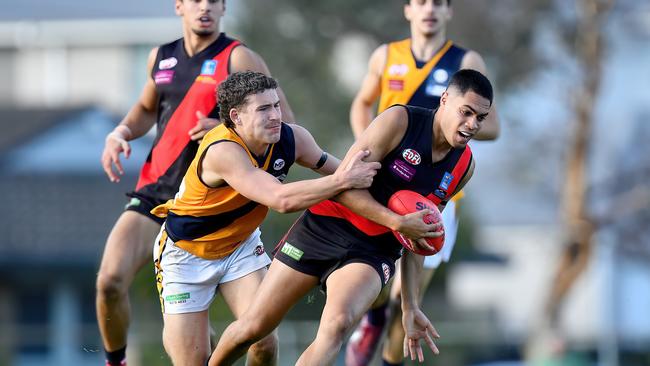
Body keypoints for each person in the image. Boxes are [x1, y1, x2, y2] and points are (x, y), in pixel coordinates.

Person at [210, 69, 494, 366]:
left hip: (374, 251)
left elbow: (422, 234)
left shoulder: (463, 166)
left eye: (481, 118)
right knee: (254, 328)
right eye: (467, 112)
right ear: (445, 100)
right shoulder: (399, 121)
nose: (472, 124)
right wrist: (395, 221)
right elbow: (343, 185)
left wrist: (410, 306)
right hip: (325, 226)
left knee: (338, 325)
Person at [96, 1, 295, 365]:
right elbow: (144, 108)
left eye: (213, 1)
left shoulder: (238, 57)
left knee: (261, 343)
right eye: (195, 0)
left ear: (223, 9)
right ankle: (116, 361)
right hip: (158, 191)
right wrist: (120, 132)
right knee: (109, 281)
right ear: (179, 7)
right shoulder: (161, 56)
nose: (204, 7)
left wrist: (227, 131)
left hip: (214, 204)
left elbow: (283, 124)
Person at [151, 70, 381, 365]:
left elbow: (346, 173)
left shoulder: (293, 138)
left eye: (276, 105)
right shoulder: (223, 150)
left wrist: (398, 204)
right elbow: (281, 200)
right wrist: (343, 181)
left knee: (264, 343)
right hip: (186, 255)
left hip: (240, 247)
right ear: (237, 116)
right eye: (263, 109)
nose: (275, 115)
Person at [347, 1, 500, 364]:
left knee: (410, 297)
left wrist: (459, 124)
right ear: (407, 10)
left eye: (438, 3)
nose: (429, 9)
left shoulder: (467, 61)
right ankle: (374, 315)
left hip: (434, 196)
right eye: (421, 2)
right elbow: (362, 104)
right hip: (386, 189)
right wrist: (367, 149)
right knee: (380, 288)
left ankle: (389, 359)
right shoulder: (386, 56)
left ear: (449, 12)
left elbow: (493, 126)